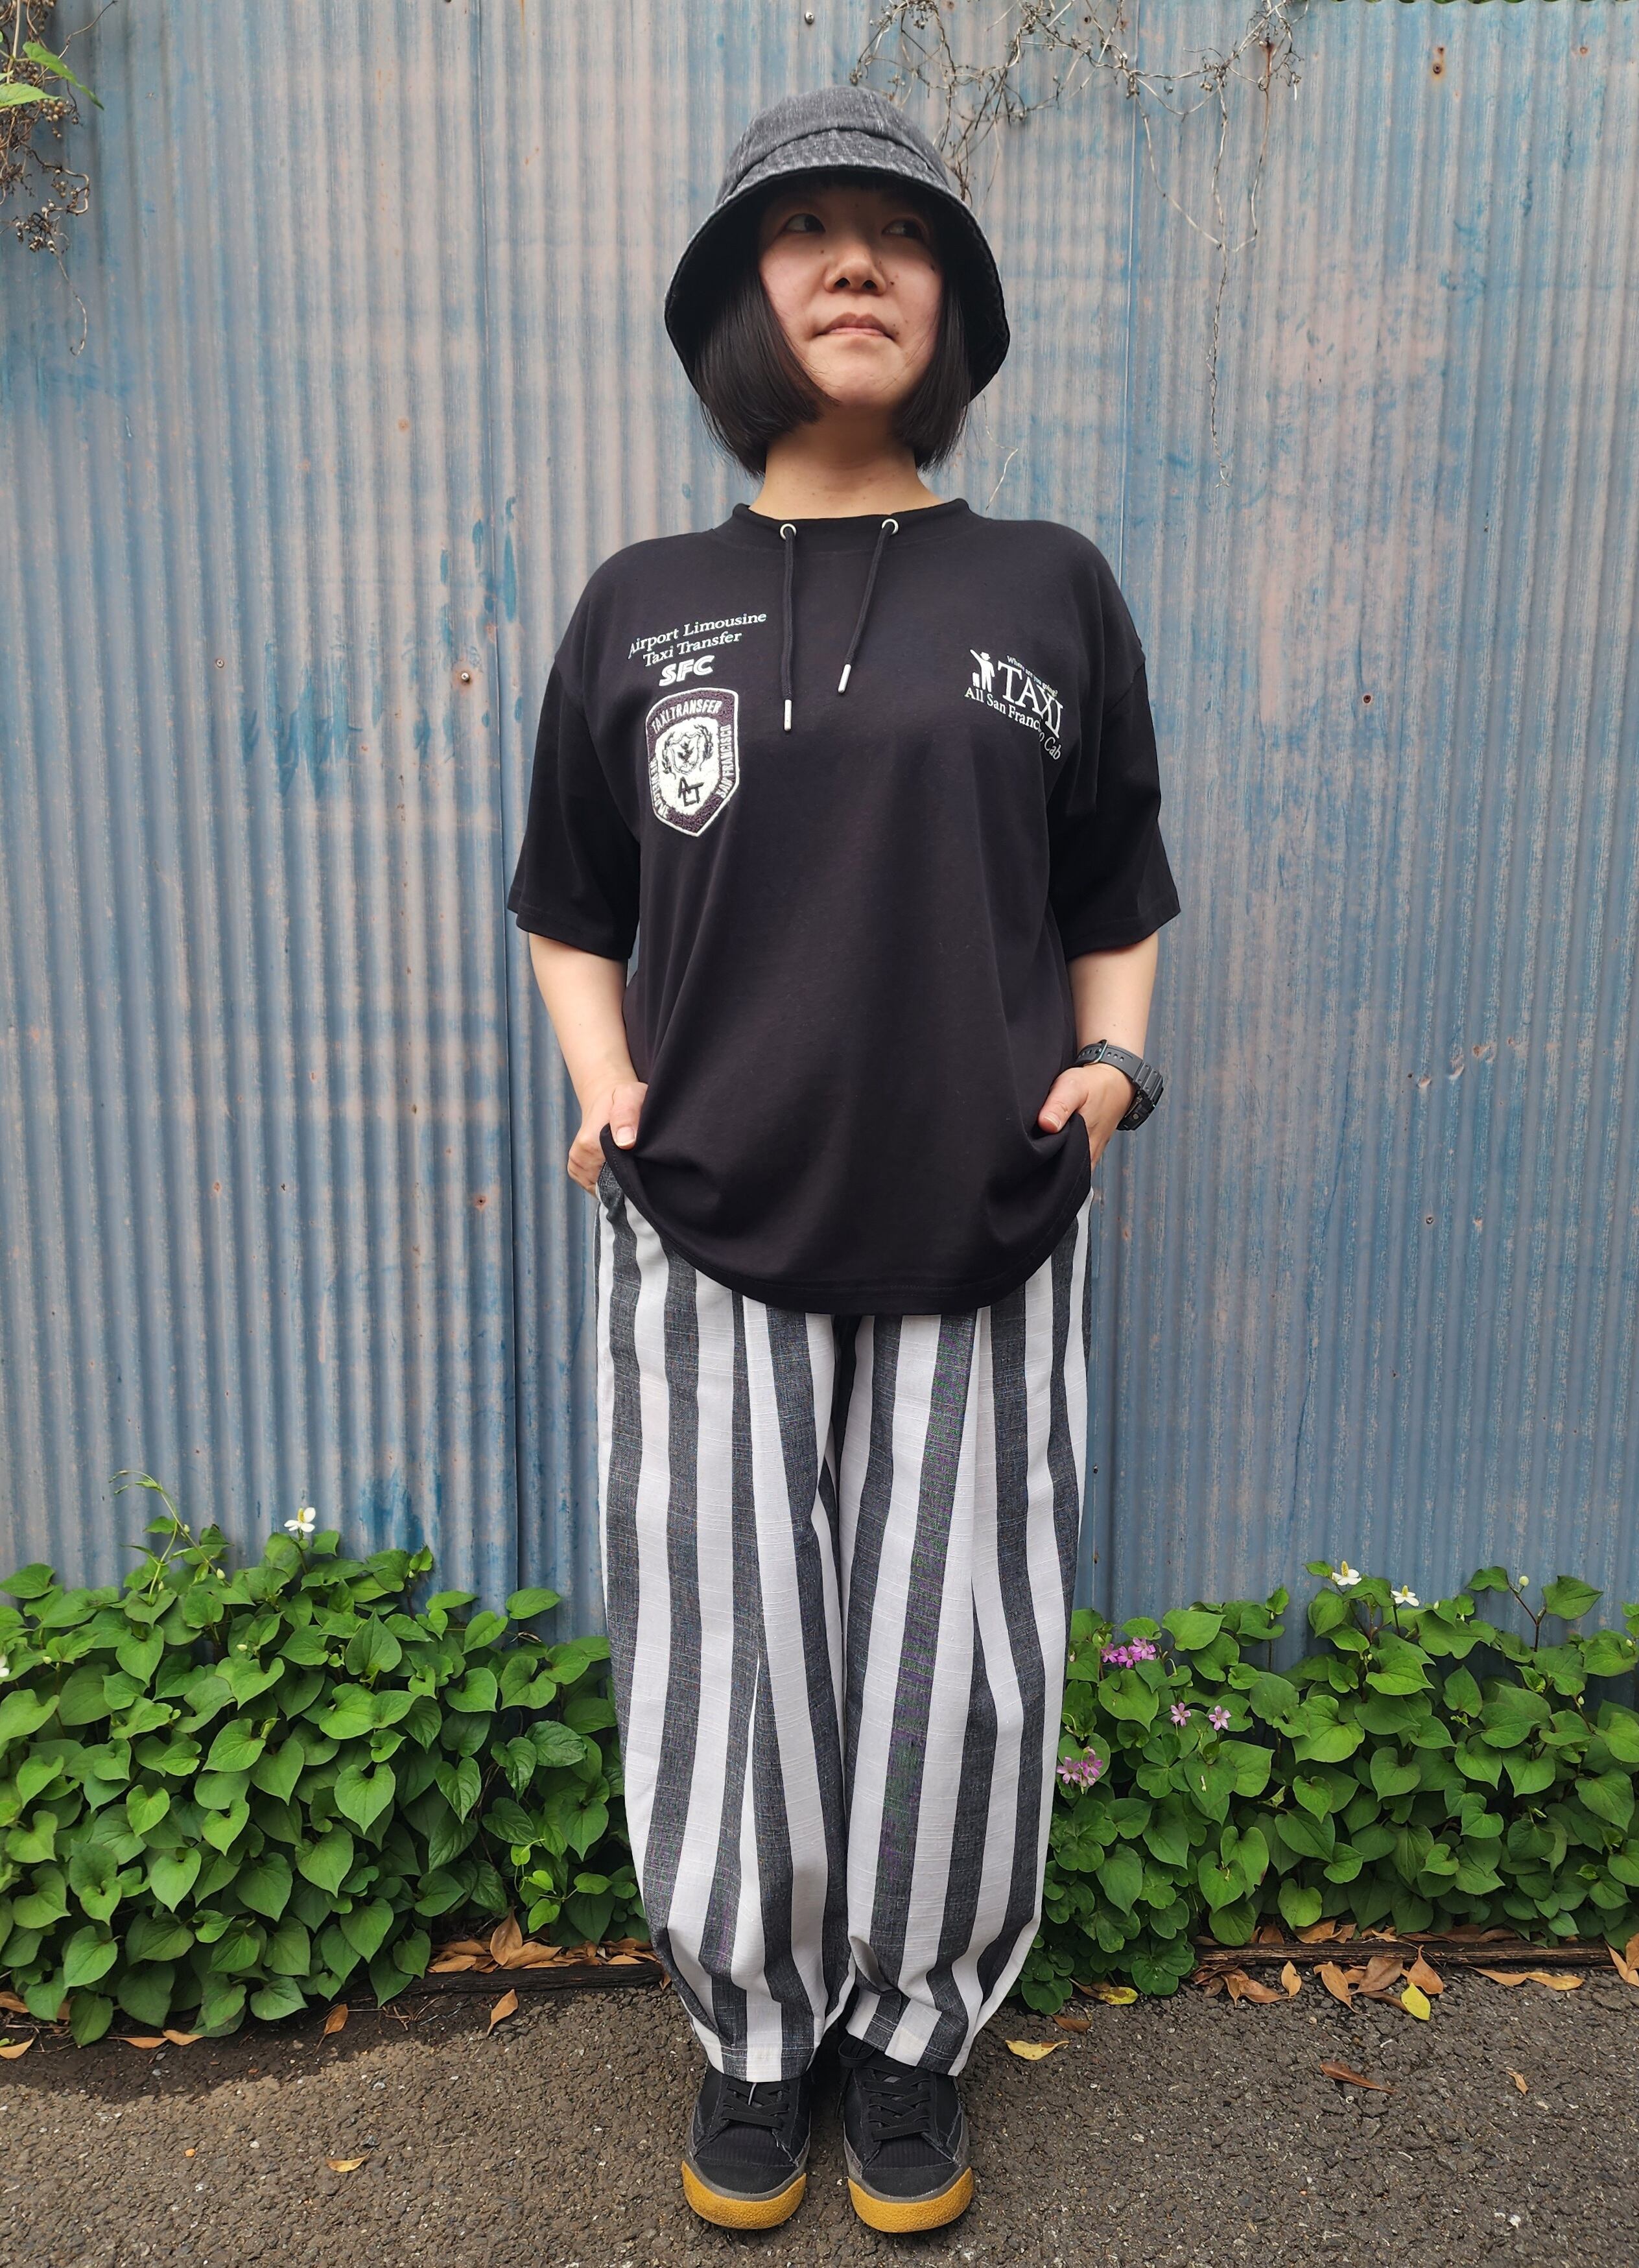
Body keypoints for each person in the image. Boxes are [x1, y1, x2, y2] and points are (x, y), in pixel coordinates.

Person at [506, 84, 1179, 2238]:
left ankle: (910, 2040)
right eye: (805, 230)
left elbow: (1117, 876)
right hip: (706, 1212)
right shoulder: (641, 604)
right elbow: (568, 898)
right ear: (741, 297)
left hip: (988, 1208)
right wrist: (610, 1084)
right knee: (727, 1648)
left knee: (957, 1653)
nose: (858, 261)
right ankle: (752, 2035)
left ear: (951, 301)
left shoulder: (1048, 584)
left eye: (901, 231)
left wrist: (1109, 1065)